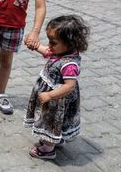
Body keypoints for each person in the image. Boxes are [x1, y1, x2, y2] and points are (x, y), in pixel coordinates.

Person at [24, 15, 90, 160]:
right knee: (50, 120)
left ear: (70, 43)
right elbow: (47, 51)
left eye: (53, 42)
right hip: (51, 95)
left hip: (57, 99)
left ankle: (48, 149)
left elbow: (70, 86)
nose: (50, 45)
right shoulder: (60, 51)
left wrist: (50, 95)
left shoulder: (69, 64)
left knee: (51, 121)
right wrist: (34, 45)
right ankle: (54, 138)